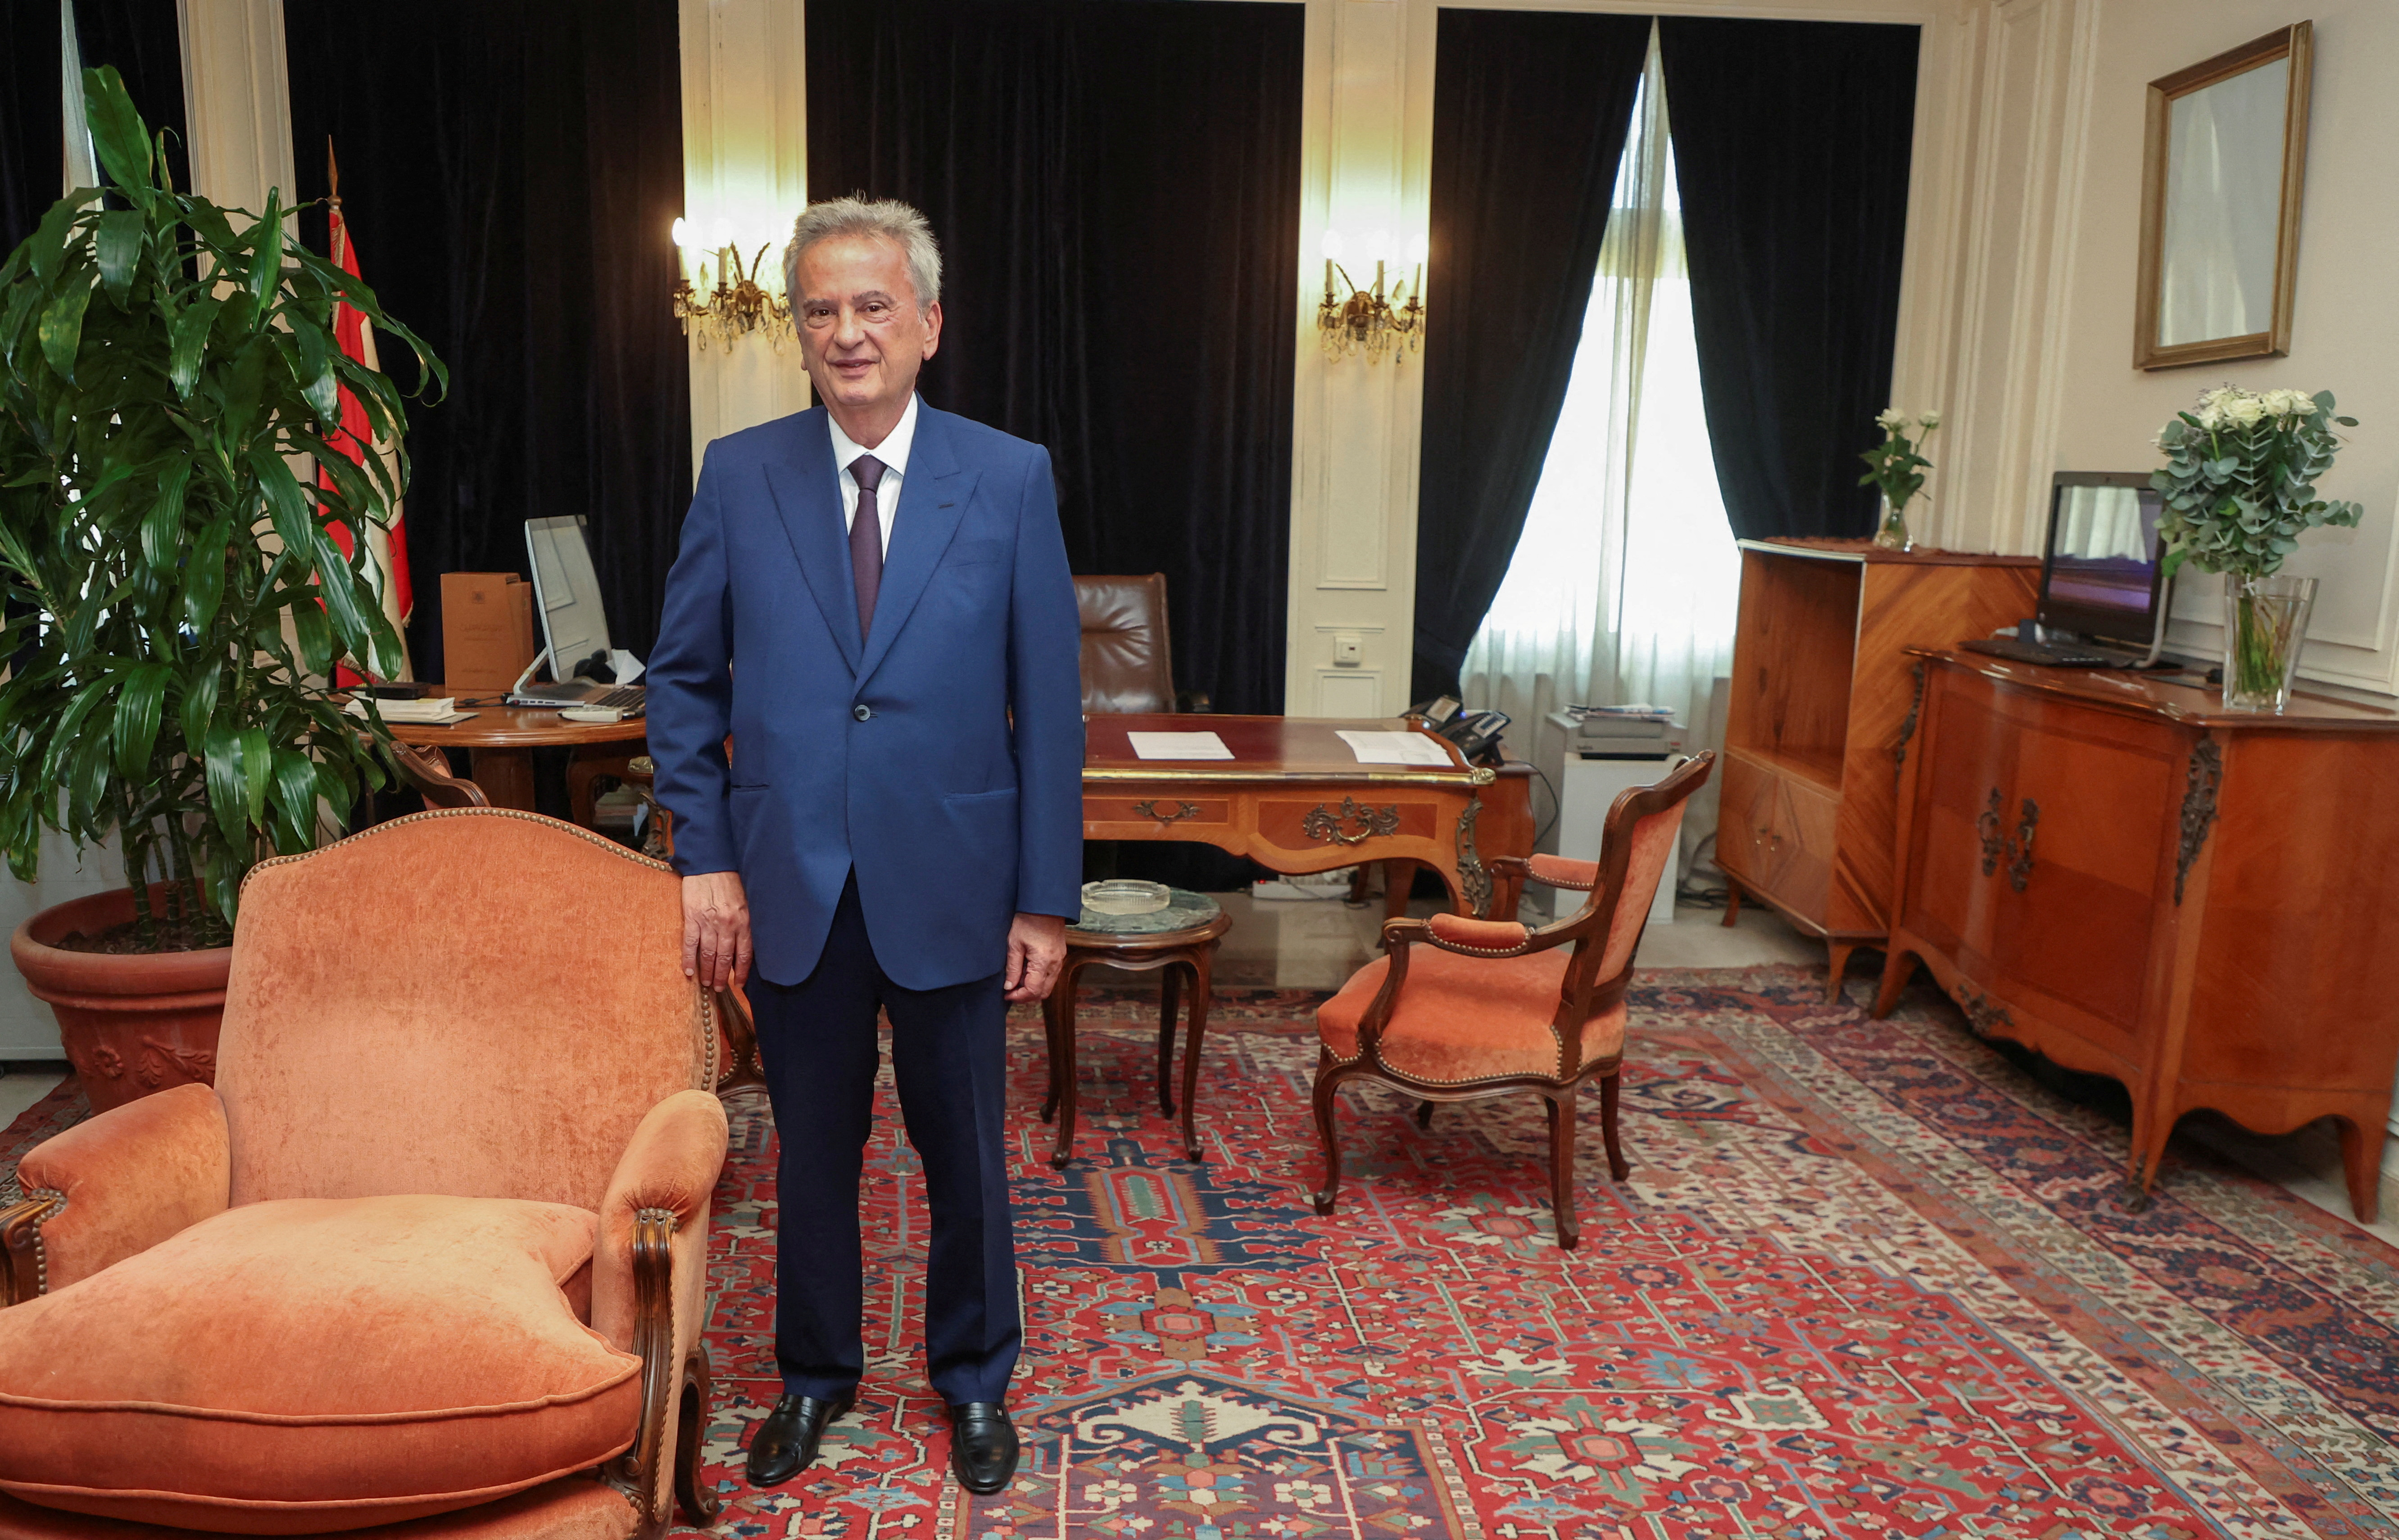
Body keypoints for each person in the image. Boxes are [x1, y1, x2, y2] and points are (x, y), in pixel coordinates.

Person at [645, 196, 1083, 1496]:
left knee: (967, 1158)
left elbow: (1050, 709)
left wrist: (1046, 900)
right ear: (797, 330)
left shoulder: (1009, 478)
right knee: (812, 1156)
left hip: (958, 882)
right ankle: (815, 1378)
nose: (847, 332)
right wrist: (703, 855)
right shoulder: (741, 472)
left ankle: (975, 1380)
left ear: (929, 323)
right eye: (821, 309)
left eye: (873, 305)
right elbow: (683, 683)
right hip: (792, 885)